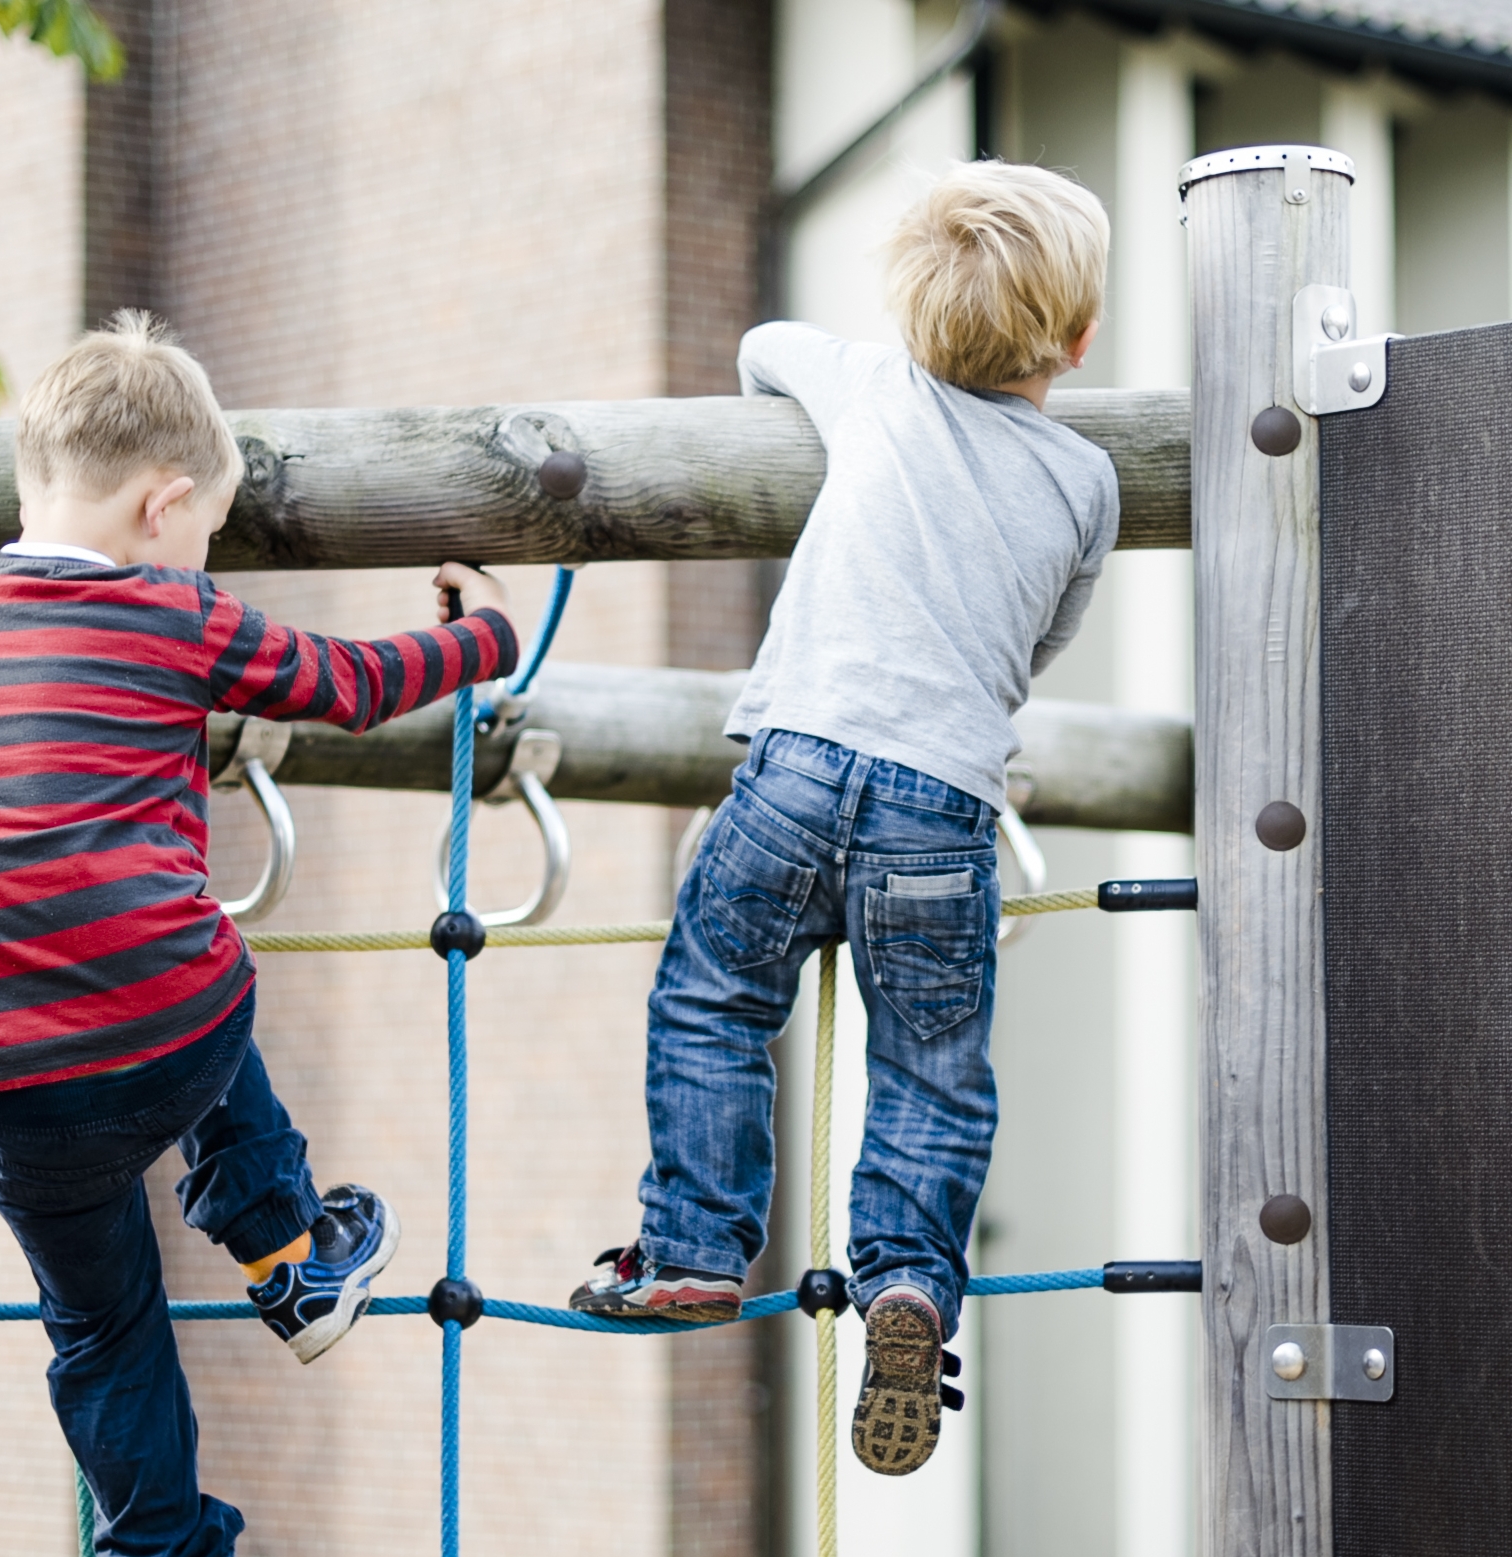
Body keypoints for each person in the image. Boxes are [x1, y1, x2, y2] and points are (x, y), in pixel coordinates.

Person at [0, 312, 517, 1556]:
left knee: (99, 1327)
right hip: (155, 1036)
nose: (204, 557)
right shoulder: (177, 612)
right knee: (194, 964)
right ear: (162, 506)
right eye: (208, 532)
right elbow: (350, 685)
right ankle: (286, 1249)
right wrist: (483, 633)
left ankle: (157, 1542)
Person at [571, 161, 1118, 1477]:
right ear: (1080, 338)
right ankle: (908, 1280)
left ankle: (695, 1248)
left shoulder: (874, 385)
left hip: (795, 774)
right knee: (931, 1065)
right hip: (942, 807)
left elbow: (767, 345)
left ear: (914, 321)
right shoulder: (1088, 481)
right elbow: (1043, 639)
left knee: (713, 1000)